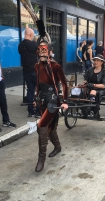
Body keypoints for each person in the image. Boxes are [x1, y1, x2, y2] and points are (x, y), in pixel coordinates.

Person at [34, 20, 68, 172]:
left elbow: (65, 85)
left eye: (44, 49)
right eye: (40, 50)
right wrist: (35, 98)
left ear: (49, 51)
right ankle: (58, 147)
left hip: (53, 100)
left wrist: (65, 101)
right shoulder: (37, 66)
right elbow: (37, 83)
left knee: (41, 126)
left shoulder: (56, 66)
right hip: (42, 99)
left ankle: (41, 160)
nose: (42, 52)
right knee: (50, 128)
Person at [18, 28, 38, 118]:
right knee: (39, 91)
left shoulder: (20, 45)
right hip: (35, 71)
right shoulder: (34, 44)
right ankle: (38, 111)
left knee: (30, 91)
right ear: (30, 35)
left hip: (26, 71)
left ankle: (30, 111)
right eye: (33, 35)